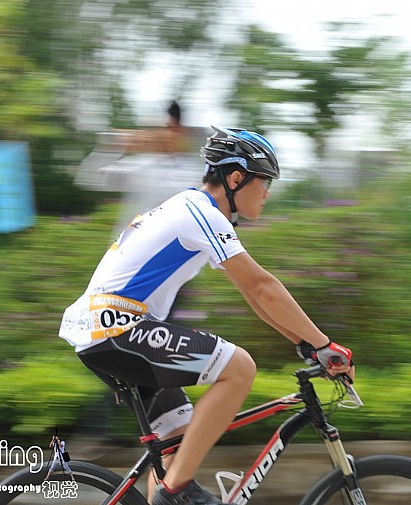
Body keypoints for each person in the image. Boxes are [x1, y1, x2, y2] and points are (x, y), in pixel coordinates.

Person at [58, 127, 354, 505]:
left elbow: (252, 292)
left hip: (103, 333)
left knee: (176, 440)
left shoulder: (189, 207)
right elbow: (262, 286)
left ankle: (171, 488)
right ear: (236, 178)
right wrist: (325, 344)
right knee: (239, 368)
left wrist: (304, 343)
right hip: (117, 328)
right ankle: (176, 491)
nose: (267, 193)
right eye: (264, 182)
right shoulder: (202, 214)